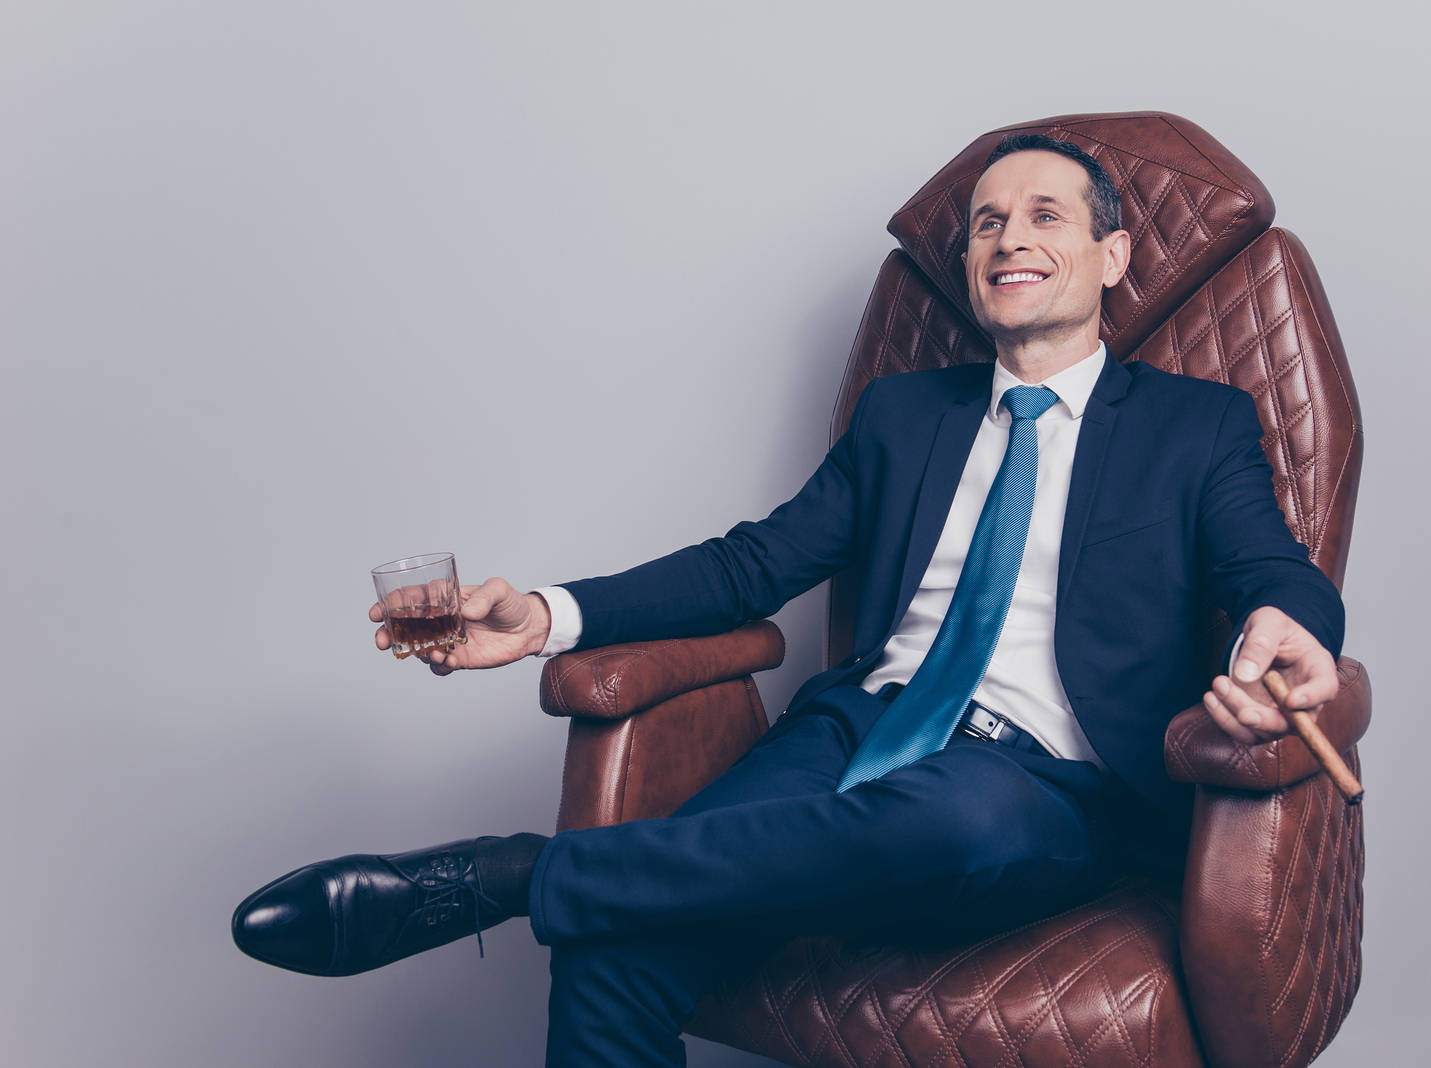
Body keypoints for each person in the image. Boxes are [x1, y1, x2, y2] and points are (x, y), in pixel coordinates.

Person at [232, 134, 1344, 1065]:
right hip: (852, 731)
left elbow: (1268, 571)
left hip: (1040, 779)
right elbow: (749, 566)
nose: (1008, 238)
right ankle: (544, 883)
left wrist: (1289, 628)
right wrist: (545, 615)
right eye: (986, 222)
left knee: (957, 817)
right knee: (614, 946)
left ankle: (505, 875)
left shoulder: (1195, 424)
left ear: (1110, 255)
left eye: (1044, 216)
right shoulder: (904, 416)